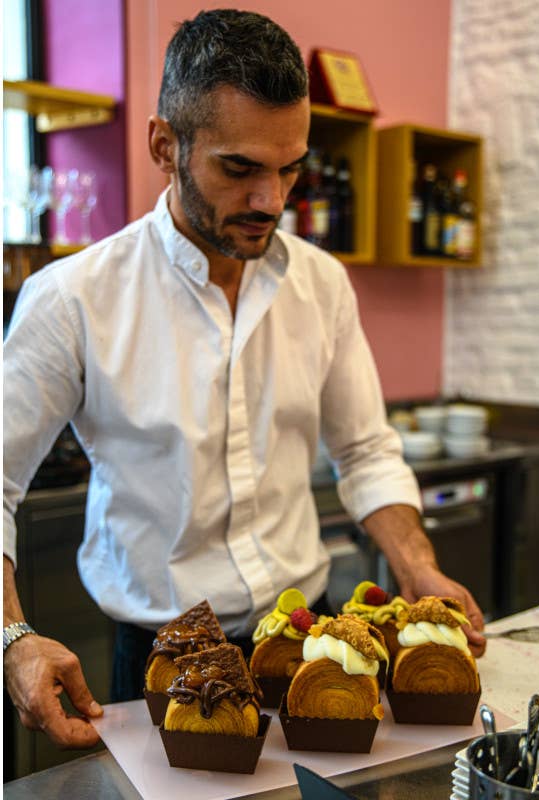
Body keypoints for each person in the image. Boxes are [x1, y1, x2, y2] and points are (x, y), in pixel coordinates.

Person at [2, 9, 486, 750]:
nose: (272, 199)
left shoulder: (321, 283)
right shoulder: (74, 299)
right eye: (240, 168)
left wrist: (416, 564)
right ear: (166, 144)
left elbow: (364, 451)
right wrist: (13, 637)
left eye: (289, 167)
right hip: (161, 656)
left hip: (309, 637)